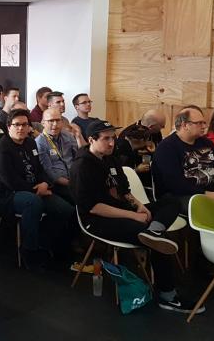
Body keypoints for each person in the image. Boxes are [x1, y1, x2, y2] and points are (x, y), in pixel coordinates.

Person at [70, 120, 204, 314]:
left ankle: (154, 230)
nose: (111, 143)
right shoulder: (82, 166)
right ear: (91, 140)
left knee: (171, 202)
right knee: (158, 243)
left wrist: (140, 206)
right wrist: (133, 215)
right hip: (98, 220)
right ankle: (168, 296)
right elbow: (93, 208)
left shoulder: (111, 158)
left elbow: (125, 190)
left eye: (113, 138)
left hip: (123, 211)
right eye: (106, 139)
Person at [0, 109, 74, 267]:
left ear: (29, 127)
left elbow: (39, 169)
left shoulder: (30, 143)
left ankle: (44, 243)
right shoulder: (1, 150)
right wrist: (37, 190)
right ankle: (29, 250)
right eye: (17, 125)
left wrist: (45, 183)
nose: (21, 128)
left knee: (65, 209)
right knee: (33, 203)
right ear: (9, 127)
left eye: (25, 124)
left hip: (35, 188)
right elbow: (12, 182)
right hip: (6, 194)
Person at [153, 106, 214, 214]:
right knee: (211, 209)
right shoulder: (167, 147)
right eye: (199, 123)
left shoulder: (207, 143)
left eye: (204, 122)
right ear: (185, 125)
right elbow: (174, 183)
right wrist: (205, 194)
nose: (204, 126)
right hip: (182, 196)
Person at [35, 107, 81, 204]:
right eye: (51, 121)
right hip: (58, 184)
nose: (55, 124)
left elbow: (78, 158)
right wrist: (71, 184)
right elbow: (49, 172)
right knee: (81, 197)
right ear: (43, 123)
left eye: (58, 120)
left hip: (75, 178)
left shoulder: (68, 135)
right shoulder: (40, 142)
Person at [112, 123, 154, 189]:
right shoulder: (124, 150)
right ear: (142, 140)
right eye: (148, 139)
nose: (148, 142)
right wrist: (137, 170)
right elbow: (121, 172)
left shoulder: (124, 144)